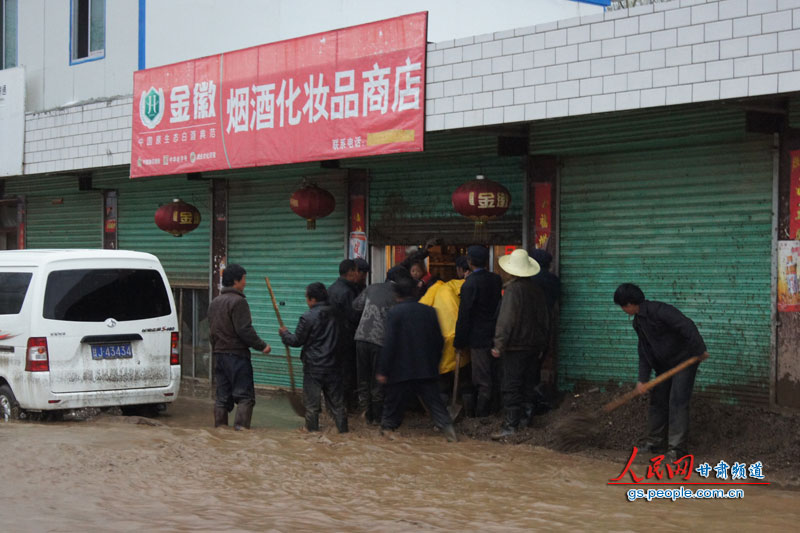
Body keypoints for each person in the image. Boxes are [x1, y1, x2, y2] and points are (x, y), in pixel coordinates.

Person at [613, 283, 709, 460]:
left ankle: (677, 450)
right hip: (664, 366)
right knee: (658, 401)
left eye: (622, 306)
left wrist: (699, 350)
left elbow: (686, 325)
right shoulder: (638, 322)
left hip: (684, 361)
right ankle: (655, 443)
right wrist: (642, 379)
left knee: (677, 401)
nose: (623, 310)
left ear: (629, 304)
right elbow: (644, 351)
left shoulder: (660, 311)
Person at [376, 276, 458, 442]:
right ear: (416, 291)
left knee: (392, 409)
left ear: (396, 295)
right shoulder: (429, 311)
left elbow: (390, 343)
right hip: (426, 369)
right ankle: (450, 434)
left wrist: (383, 371)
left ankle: (385, 438)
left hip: (400, 372)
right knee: (436, 405)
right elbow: (439, 340)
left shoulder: (395, 313)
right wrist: (434, 363)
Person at [490, 249, 550, 439]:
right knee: (528, 384)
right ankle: (526, 420)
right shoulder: (537, 290)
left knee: (511, 385)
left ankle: (511, 426)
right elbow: (545, 320)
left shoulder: (513, 290)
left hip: (515, 347)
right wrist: (542, 344)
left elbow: (506, 320)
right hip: (534, 346)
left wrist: (499, 345)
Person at [208, 264, 271, 430]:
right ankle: (241, 433)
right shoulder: (239, 302)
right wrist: (262, 346)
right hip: (236, 356)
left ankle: (220, 431)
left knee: (222, 398)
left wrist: (217, 349)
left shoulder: (215, 302)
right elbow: (244, 330)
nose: (245, 283)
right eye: (244, 279)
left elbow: (211, 331)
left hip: (219, 355)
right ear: (236, 281)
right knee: (245, 397)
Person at [279, 282, 348, 433]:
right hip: (334, 366)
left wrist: (284, 334)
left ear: (312, 299)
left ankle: (312, 436)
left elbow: (296, 341)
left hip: (314, 367)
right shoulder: (338, 314)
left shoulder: (307, 317)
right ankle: (343, 433)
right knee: (337, 405)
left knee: (311, 406)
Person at [352, 265, 412, 424]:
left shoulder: (372, 287)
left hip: (361, 337)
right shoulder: (398, 295)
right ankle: (377, 418)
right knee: (378, 380)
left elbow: (356, 306)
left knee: (363, 378)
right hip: (380, 341)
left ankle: (365, 414)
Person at [453, 245, 503, 417]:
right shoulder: (496, 279)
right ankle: (494, 410)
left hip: (478, 337)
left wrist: (459, 341)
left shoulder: (470, 284)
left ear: (470, 262)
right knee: (494, 373)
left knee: (482, 378)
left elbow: (464, 315)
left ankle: (482, 417)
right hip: (496, 334)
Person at [328, 259, 362, 410]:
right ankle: (346, 407)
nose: (359, 274)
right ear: (351, 272)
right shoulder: (348, 292)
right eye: (357, 271)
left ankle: (334, 405)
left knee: (336, 373)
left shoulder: (332, 288)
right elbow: (354, 316)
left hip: (331, 338)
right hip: (346, 338)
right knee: (347, 373)